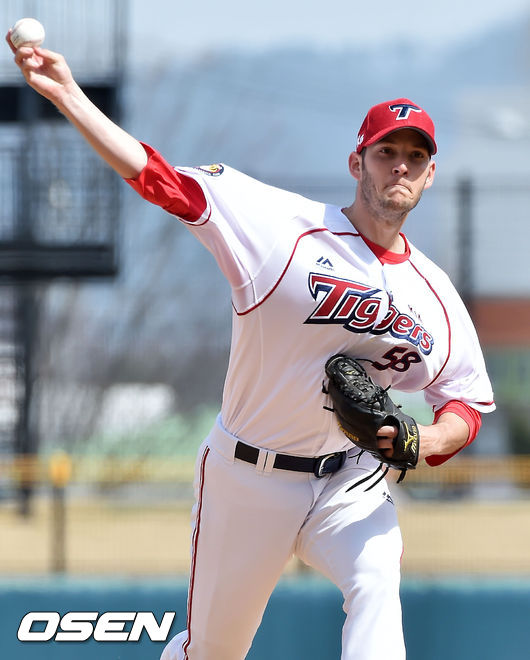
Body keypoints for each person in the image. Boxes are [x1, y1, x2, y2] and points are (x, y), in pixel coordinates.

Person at [7, 34, 495, 660]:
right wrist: (69, 96)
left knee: (376, 580)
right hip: (248, 477)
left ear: (430, 174)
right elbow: (159, 179)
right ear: (357, 163)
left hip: (349, 479)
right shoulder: (282, 228)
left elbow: (465, 405)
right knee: (214, 650)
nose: (400, 166)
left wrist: (423, 439)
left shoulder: (436, 295)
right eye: (386, 152)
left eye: (415, 156)